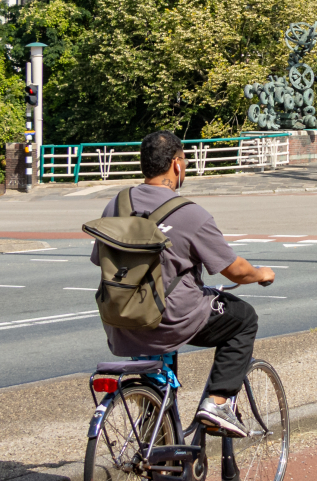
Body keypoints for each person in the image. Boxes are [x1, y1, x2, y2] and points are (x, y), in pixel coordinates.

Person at [88, 131, 277, 438]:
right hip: (171, 318)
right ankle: (217, 404)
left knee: (156, 382)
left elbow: (101, 260)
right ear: (176, 165)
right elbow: (234, 271)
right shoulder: (189, 213)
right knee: (243, 319)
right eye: (185, 161)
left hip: (122, 321)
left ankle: (160, 454)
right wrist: (260, 273)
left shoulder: (116, 205)